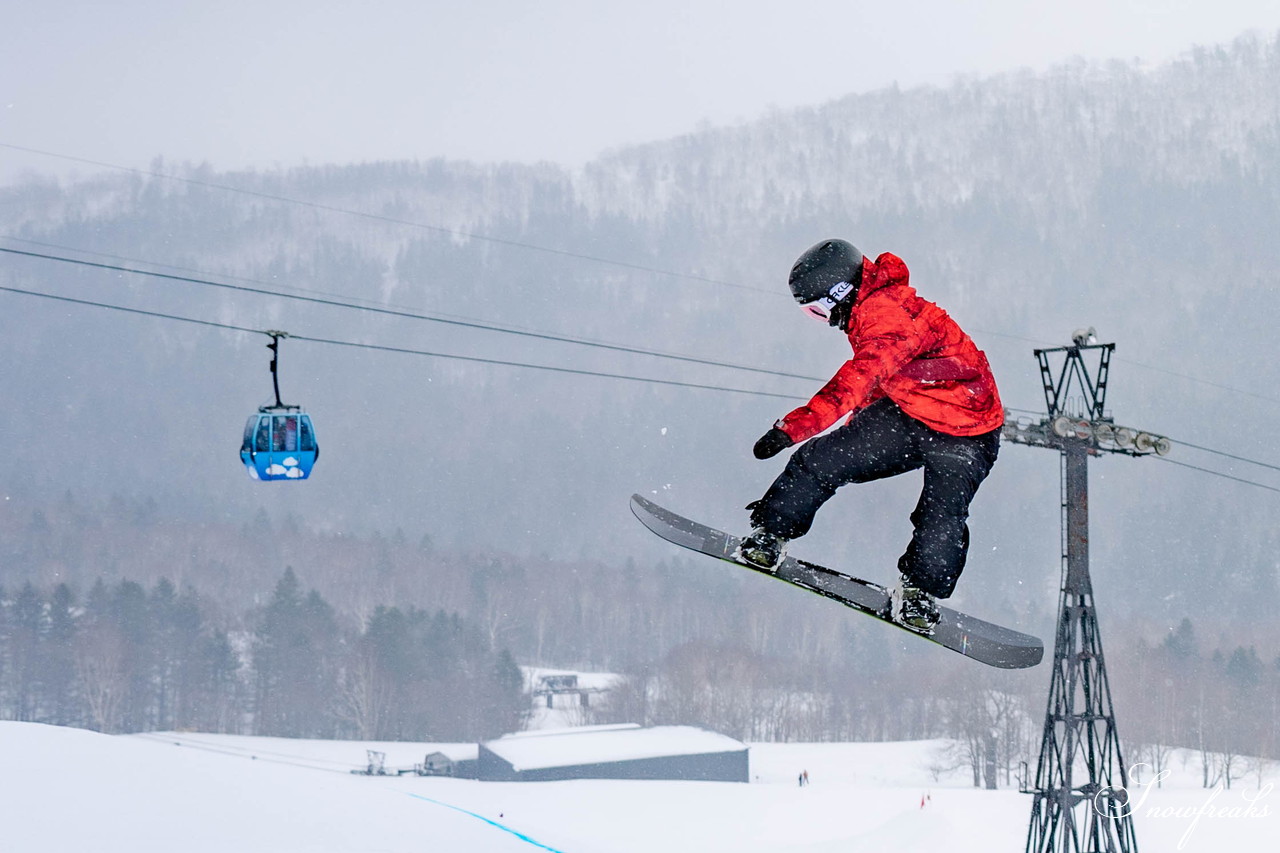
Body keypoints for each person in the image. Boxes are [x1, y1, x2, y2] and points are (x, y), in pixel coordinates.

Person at [738, 239, 1004, 632]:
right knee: (826, 458)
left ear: (840, 292)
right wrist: (853, 434)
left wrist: (792, 427)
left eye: (818, 310)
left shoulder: (887, 316)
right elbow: (884, 378)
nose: (824, 320)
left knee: (940, 514)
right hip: (913, 413)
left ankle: (918, 594)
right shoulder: (871, 307)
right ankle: (770, 532)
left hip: (968, 431)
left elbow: (858, 378)